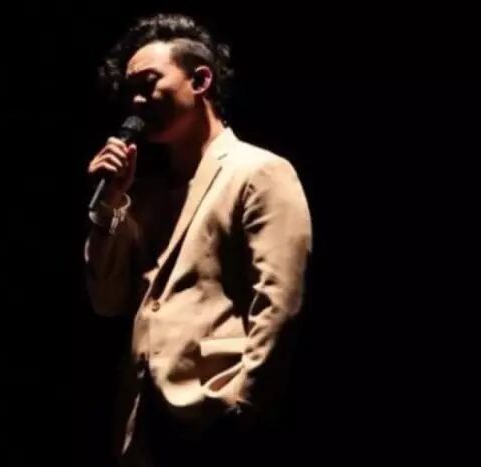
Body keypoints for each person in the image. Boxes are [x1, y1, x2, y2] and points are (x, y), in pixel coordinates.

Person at [84, 13, 312, 467]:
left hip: (215, 419)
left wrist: (243, 407)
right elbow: (107, 300)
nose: (136, 100)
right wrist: (109, 202)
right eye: (130, 90)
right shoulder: (144, 196)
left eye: (149, 83)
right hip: (144, 427)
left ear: (201, 80)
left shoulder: (259, 171)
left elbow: (280, 303)